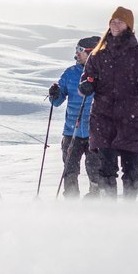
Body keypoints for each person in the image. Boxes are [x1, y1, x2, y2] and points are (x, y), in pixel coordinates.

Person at [79, 6, 138, 200]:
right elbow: (87, 78)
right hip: (103, 119)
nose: (115, 25)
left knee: (131, 168)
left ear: (129, 26)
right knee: (106, 169)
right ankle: (109, 211)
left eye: (120, 22)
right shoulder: (98, 55)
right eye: (113, 22)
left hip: (130, 119)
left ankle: (129, 210)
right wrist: (86, 86)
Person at [48, 36, 102, 199]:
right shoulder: (70, 73)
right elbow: (56, 102)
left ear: (91, 53)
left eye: (80, 50)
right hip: (72, 131)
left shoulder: (104, 75)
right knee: (70, 170)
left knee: (95, 169)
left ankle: (95, 196)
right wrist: (54, 95)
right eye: (76, 49)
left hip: (96, 132)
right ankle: (71, 203)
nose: (77, 54)